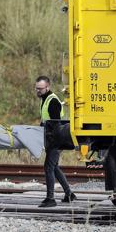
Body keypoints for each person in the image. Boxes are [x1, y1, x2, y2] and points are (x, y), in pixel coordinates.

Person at [35, 75, 76, 207]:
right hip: (51, 138)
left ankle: (50, 199)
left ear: (48, 87)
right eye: (36, 88)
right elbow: (46, 121)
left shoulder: (52, 101)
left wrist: (50, 138)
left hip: (56, 139)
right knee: (54, 167)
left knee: (48, 167)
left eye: (40, 89)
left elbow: (55, 124)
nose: (38, 91)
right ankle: (69, 194)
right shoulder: (44, 99)